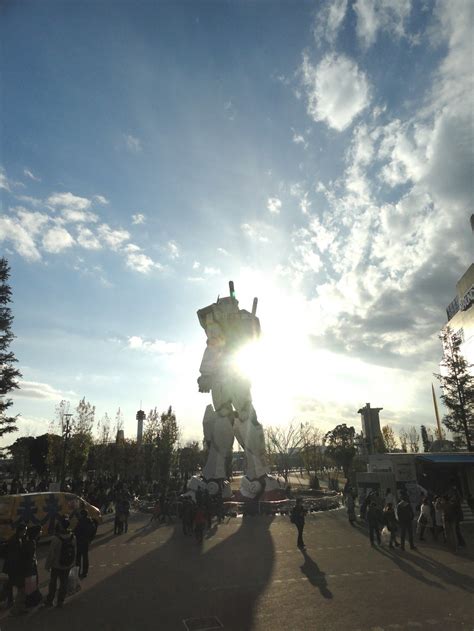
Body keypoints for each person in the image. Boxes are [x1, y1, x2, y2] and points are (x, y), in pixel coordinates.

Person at [44, 517, 77, 608]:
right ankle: (60, 601)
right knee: (64, 583)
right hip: (67, 565)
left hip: (56, 565)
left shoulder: (56, 539)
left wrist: (47, 565)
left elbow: (51, 554)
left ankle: (50, 600)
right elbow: (75, 551)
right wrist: (73, 563)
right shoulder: (72, 537)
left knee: (53, 583)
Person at [4, 522, 27, 614]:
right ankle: (12, 603)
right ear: (20, 531)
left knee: (11, 584)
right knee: (16, 584)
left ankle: (10, 601)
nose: (25, 532)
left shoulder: (17, 538)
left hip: (11, 567)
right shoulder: (15, 541)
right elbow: (14, 556)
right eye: (24, 530)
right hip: (13, 567)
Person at [24, 525, 42, 608]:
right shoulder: (31, 543)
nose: (41, 532)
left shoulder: (31, 541)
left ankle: (32, 600)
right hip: (30, 567)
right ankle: (31, 601)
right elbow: (30, 557)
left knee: (31, 583)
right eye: (40, 531)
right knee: (31, 583)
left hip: (31, 566)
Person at [74, 509, 95, 579]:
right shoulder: (90, 521)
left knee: (78, 558)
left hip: (80, 541)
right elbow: (93, 531)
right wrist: (90, 539)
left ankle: (78, 571)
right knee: (85, 557)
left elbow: (76, 531)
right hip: (86, 541)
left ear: (82, 515)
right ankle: (85, 572)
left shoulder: (81, 522)